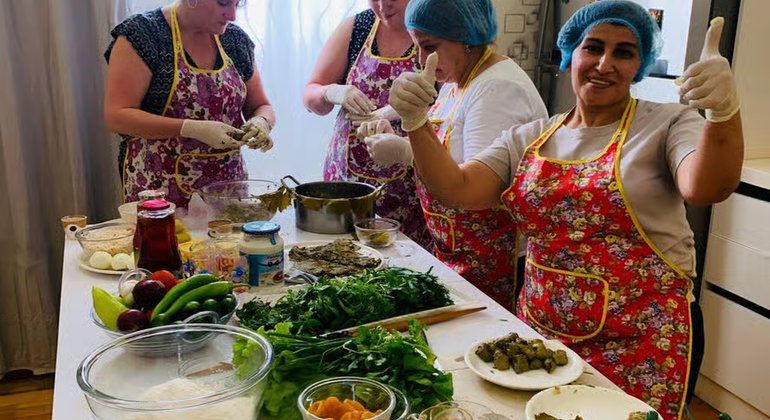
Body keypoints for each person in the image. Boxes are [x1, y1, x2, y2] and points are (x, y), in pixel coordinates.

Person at [389, 1, 743, 418]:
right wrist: (416, 125)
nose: (605, 63)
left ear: (640, 64)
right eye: (593, 47)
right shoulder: (531, 137)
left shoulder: (668, 123)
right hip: (541, 341)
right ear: (570, 53)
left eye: (624, 52)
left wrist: (723, 113)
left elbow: (706, 186)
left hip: (641, 343)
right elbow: (459, 190)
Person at [358, 0, 547, 310]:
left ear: (466, 37)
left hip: (493, 259)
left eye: (429, 46)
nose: (421, 60)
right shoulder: (458, 80)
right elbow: (441, 144)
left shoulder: (497, 89)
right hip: (459, 251)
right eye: (417, 47)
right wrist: (395, 130)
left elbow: (475, 184)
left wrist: (404, 152)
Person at [105, 0, 275, 208]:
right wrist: (190, 128)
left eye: (237, 4)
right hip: (159, 194)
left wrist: (261, 122)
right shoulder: (143, 35)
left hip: (228, 192)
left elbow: (260, 105)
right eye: (223, 3)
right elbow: (117, 116)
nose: (232, 15)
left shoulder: (234, 40)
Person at [302, 0, 432, 247]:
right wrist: (332, 92)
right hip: (345, 180)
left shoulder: (433, 32)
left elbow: (448, 104)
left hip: (408, 185)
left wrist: (391, 113)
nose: (383, 5)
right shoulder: (358, 27)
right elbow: (311, 96)